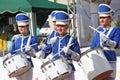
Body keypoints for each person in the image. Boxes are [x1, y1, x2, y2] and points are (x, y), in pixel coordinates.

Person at [36, 11, 81, 80]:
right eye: (58, 26)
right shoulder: (53, 40)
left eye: (62, 26)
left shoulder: (72, 40)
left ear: (67, 26)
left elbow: (78, 57)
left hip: (68, 70)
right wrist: (41, 53)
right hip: (56, 70)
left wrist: (71, 52)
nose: (59, 28)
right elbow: (45, 52)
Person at [3, 13, 39, 80]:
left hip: (27, 66)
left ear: (27, 26)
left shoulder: (33, 38)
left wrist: (31, 50)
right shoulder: (16, 39)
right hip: (17, 66)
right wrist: (7, 56)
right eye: (19, 26)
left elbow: (36, 54)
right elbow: (13, 52)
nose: (21, 28)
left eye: (23, 26)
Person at [90, 4, 120, 80]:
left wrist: (107, 41)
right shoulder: (97, 32)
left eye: (104, 17)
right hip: (100, 60)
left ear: (110, 18)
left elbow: (116, 44)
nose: (102, 20)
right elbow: (92, 48)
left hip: (110, 59)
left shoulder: (115, 30)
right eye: (100, 18)